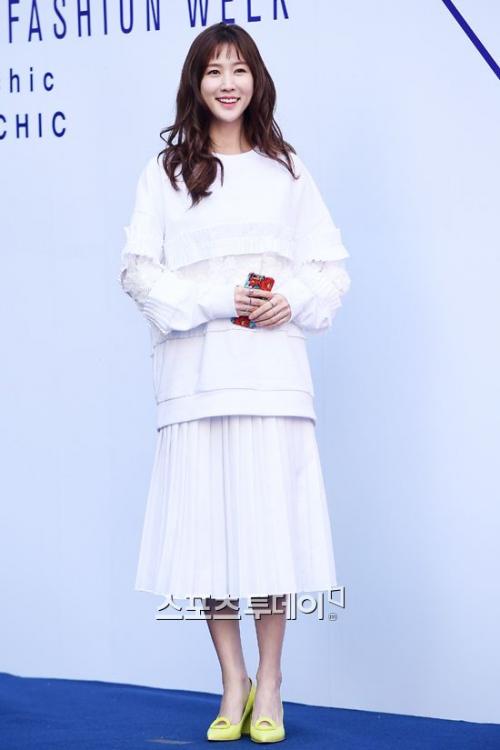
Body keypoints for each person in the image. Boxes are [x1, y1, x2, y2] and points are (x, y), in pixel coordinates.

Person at [119, 21, 351, 744]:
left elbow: (329, 269)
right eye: (214, 70)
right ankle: (233, 681)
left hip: (272, 379)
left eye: (239, 69)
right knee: (209, 535)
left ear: (257, 80)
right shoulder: (165, 173)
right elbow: (138, 273)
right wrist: (218, 301)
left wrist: (292, 301)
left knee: (270, 532)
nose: (227, 83)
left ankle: (271, 682)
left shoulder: (287, 170)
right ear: (196, 83)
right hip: (197, 381)